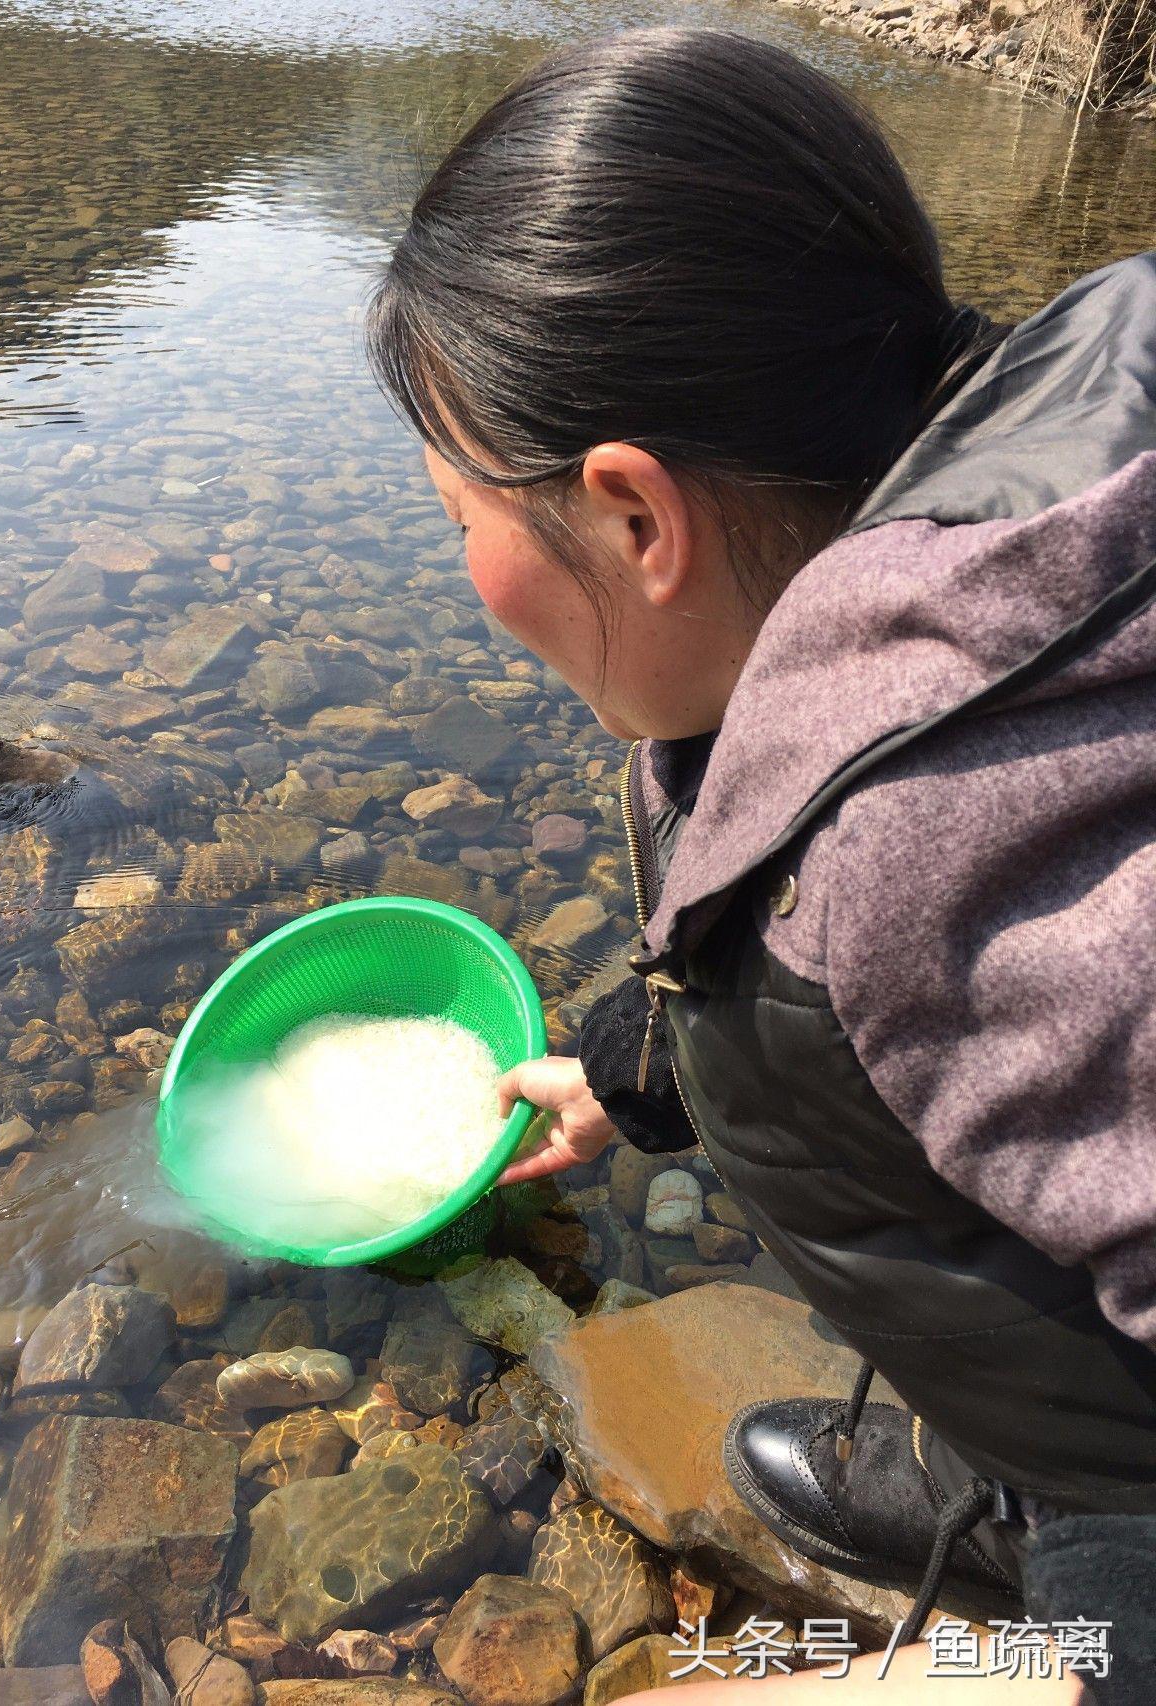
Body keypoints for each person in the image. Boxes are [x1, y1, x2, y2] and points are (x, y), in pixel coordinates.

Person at [365, 28, 1156, 1699]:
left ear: (637, 517)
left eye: (457, 517)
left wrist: (1023, 1670)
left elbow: (896, 925)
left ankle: (1061, 1523)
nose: (464, 573)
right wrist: (627, 1062)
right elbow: (795, 911)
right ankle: (1017, 1458)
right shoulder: (1027, 435)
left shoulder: (953, 852)